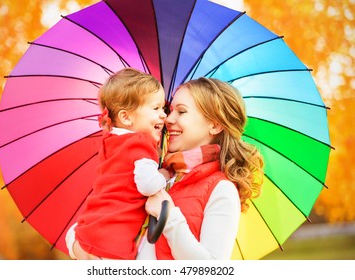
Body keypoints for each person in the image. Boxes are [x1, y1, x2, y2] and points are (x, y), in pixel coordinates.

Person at [136, 77, 264, 260]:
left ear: (215, 124)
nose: (169, 119)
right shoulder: (158, 176)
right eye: (170, 110)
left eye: (181, 111)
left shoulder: (221, 189)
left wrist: (169, 216)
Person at [65, 68, 169, 260]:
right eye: (155, 108)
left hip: (88, 230)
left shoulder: (109, 141)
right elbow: (147, 185)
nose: (163, 115)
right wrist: (164, 175)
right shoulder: (140, 143)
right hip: (114, 241)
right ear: (126, 117)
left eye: (164, 108)